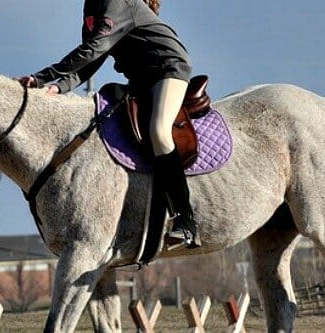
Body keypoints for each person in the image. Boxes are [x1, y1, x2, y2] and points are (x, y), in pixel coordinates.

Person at [17, 0, 200, 248]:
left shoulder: (116, 1)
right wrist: (57, 87)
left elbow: (93, 49)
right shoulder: (91, 8)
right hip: (141, 79)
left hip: (168, 68)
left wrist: (41, 77)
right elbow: (91, 61)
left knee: (159, 132)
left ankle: (186, 221)